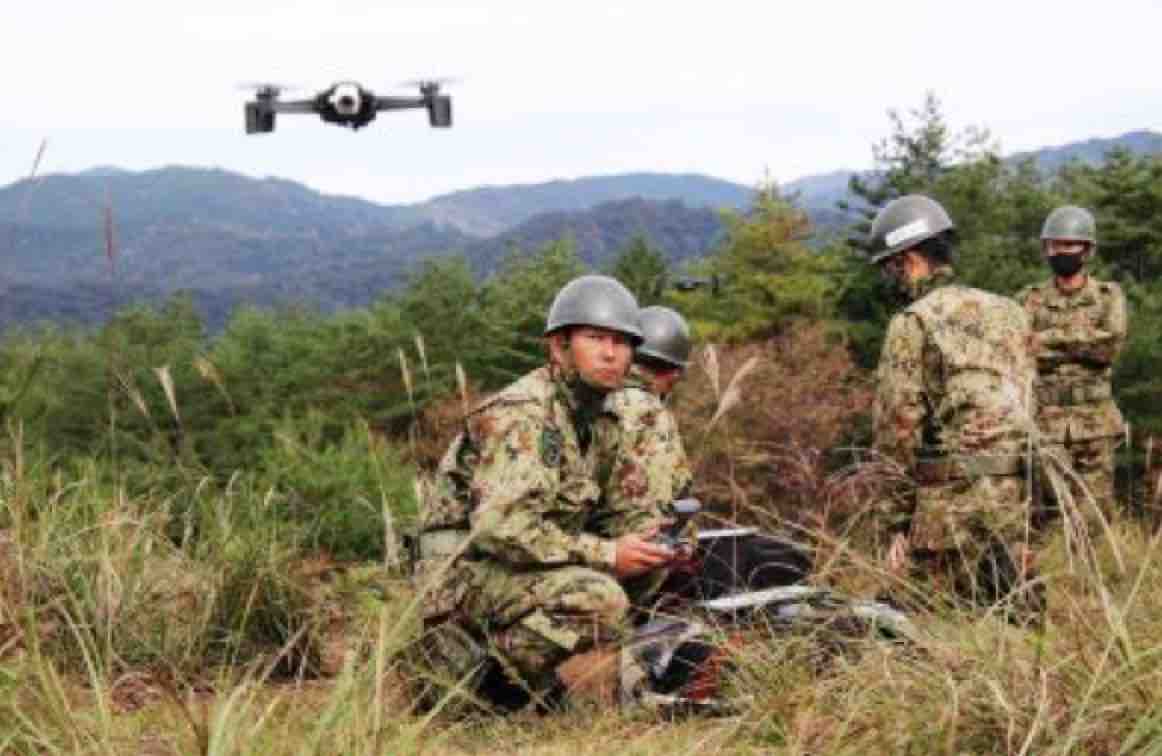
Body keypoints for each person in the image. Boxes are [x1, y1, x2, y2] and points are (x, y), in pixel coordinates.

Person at [413, 274, 676, 708]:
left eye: (622, 342)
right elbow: (500, 529)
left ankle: (537, 674)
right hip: (463, 571)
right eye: (595, 338)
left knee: (649, 562)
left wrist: (649, 543)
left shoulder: (599, 417)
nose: (611, 354)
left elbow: (609, 511)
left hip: (522, 565)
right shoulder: (525, 416)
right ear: (559, 347)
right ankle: (469, 681)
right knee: (599, 597)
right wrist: (608, 554)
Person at [869, 194, 1040, 614]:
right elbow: (1029, 402)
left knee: (926, 630)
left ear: (908, 260)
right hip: (1013, 498)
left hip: (947, 509)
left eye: (889, 268)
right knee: (1011, 622)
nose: (890, 279)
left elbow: (898, 429)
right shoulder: (1010, 312)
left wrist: (895, 526)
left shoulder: (913, 321)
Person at [1015, 206, 1127, 522]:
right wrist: (1081, 343)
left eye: (1067, 245)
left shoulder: (1108, 296)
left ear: (1087, 250)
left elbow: (1108, 347)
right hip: (1045, 425)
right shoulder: (1029, 298)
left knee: (1095, 518)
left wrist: (1048, 340)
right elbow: (1022, 350)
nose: (1059, 252)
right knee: (1047, 519)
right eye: (1053, 245)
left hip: (1095, 425)